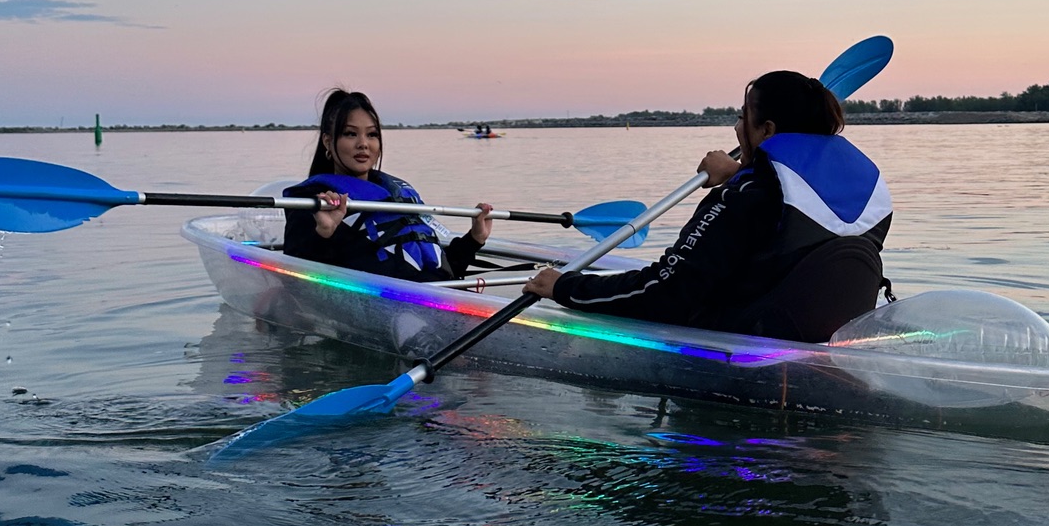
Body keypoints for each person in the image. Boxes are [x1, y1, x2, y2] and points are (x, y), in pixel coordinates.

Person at [523, 70, 893, 341]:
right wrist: (741, 172)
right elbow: (782, 237)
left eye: (741, 116)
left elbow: (665, 293)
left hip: (740, 358)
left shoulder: (744, 199)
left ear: (766, 130)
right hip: (818, 345)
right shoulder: (870, 199)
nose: (735, 127)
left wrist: (566, 288)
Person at [283, 88, 493, 281]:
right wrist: (323, 232)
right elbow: (295, 279)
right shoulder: (312, 200)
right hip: (378, 312)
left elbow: (437, 270)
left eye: (372, 134)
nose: (363, 144)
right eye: (350, 134)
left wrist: (474, 239)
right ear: (328, 142)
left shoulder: (396, 193)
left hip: (434, 304)